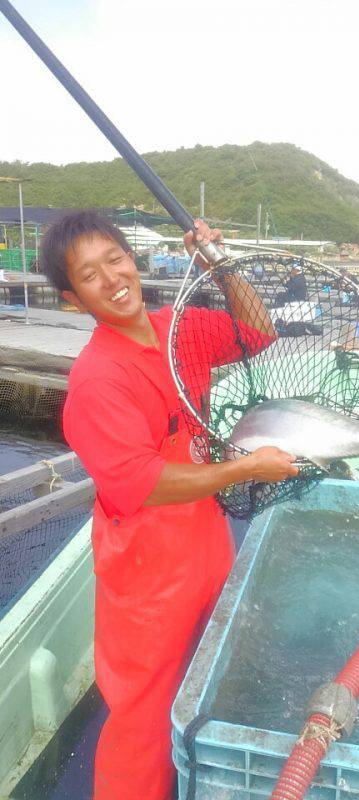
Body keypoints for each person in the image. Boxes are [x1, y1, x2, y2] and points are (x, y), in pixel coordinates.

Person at [40, 211, 298, 800]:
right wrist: (247, 468)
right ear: (72, 300)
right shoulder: (97, 380)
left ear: (132, 259)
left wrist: (221, 264)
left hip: (206, 539)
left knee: (210, 680)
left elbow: (258, 333)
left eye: (115, 258)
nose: (111, 277)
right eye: (89, 274)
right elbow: (142, 481)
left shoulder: (177, 327)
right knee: (143, 721)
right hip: (146, 571)